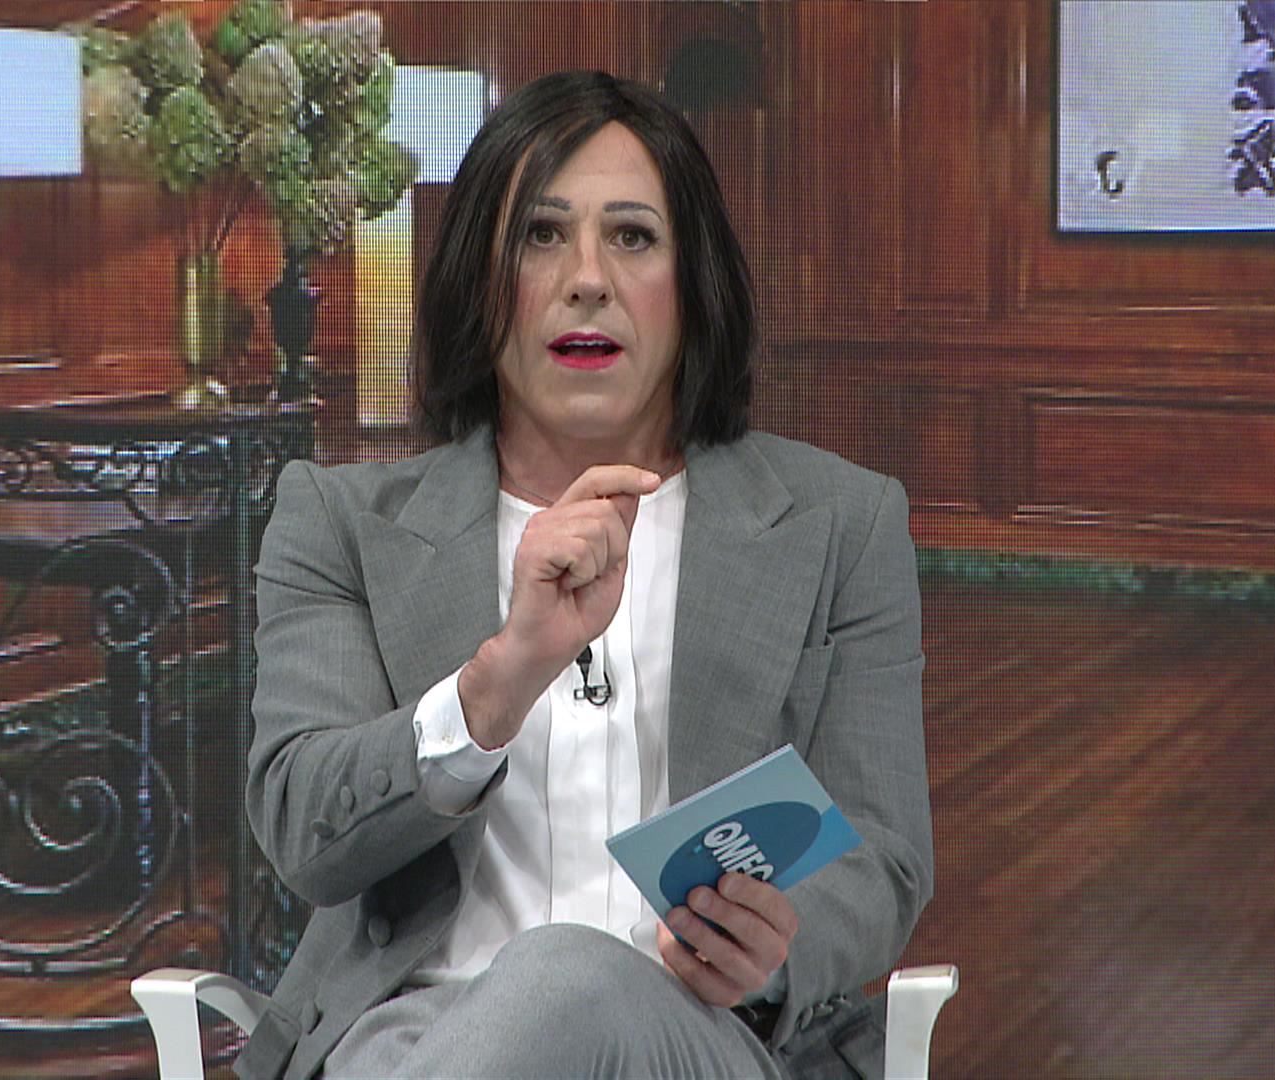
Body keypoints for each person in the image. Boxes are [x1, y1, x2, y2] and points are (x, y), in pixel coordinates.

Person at [237, 70, 932, 1079]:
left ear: (693, 287)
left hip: (705, 1040)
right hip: (414, 1034)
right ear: (479, 282)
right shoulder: (340, 523)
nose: (588, 279)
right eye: (541, 235)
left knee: (567, 973)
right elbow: (307, 832)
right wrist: (494, 687)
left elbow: (884, 855)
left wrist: (776, 945)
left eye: (634, 237)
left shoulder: (841, 525)